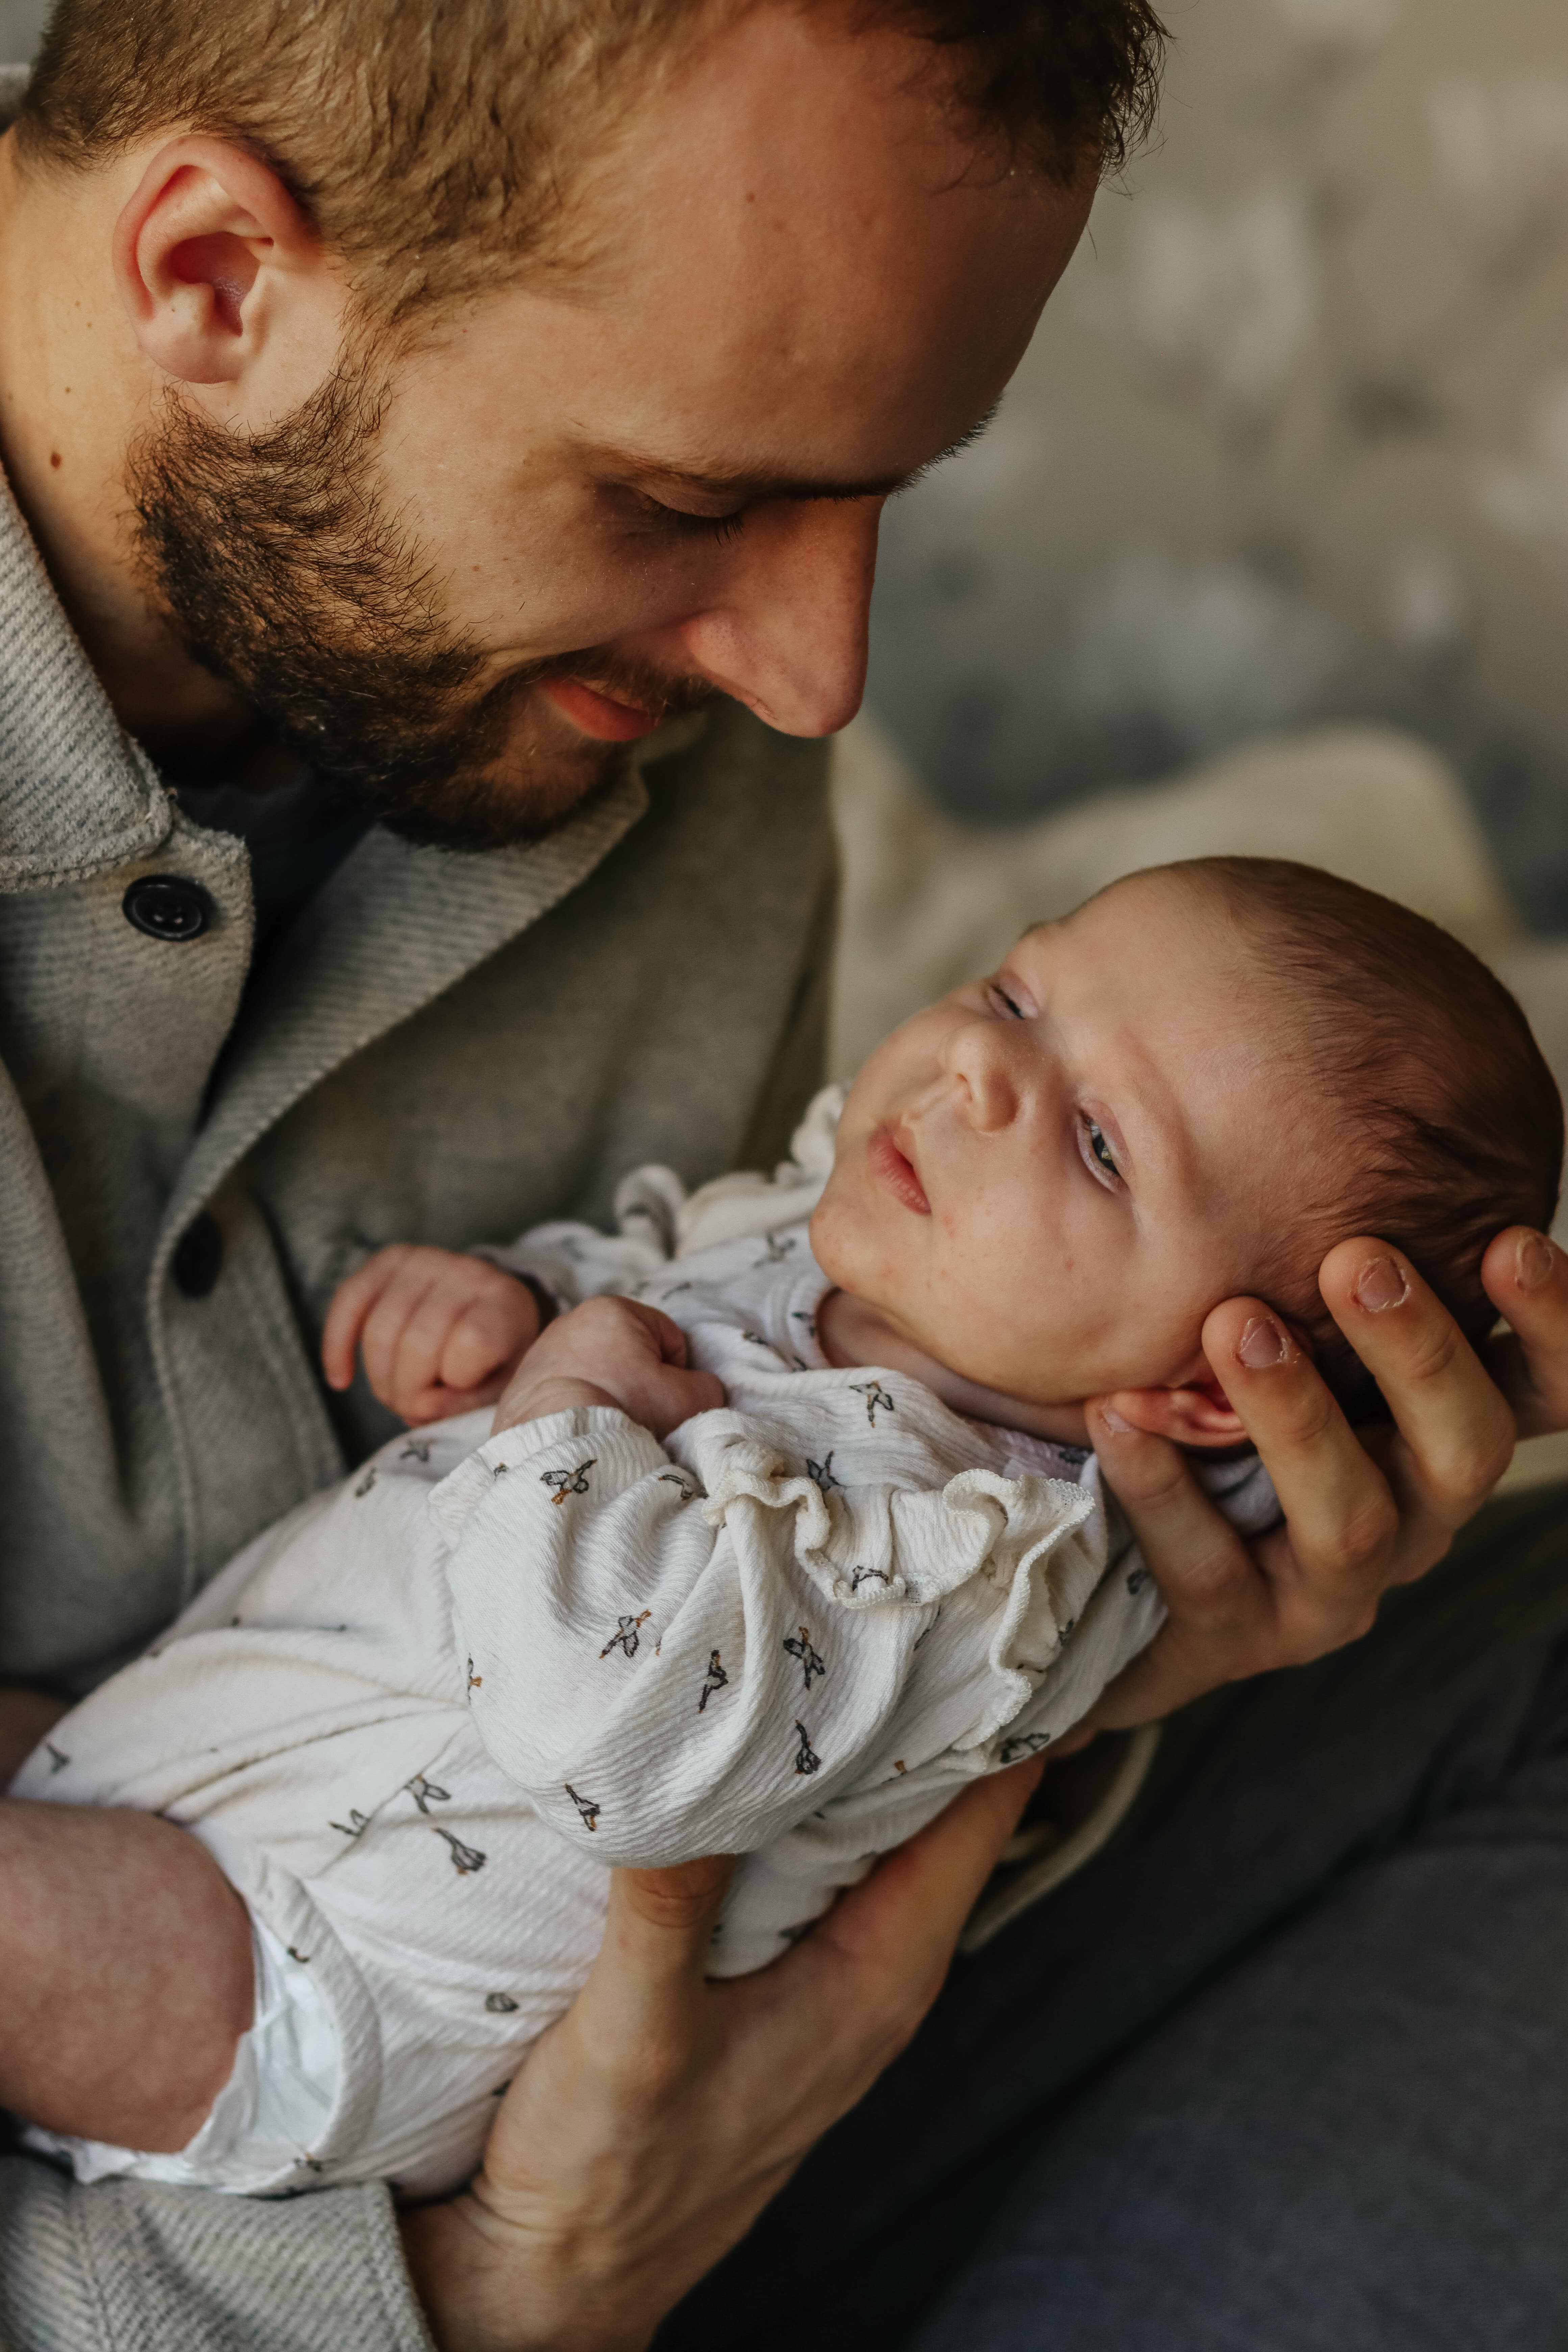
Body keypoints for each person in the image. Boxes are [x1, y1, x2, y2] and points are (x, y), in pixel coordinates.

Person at [0, 3, 1566, 2347]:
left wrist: (1089, 1681)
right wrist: (486, 2290)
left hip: (628, 1976)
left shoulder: (673, 720)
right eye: (692, 496)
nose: (819, 678)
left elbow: (801, 1422)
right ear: (218, 280)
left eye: (877, 496)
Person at [3, 861, 1562, 2228]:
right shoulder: (859, 1248)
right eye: (1017, 991)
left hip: (310, 1970)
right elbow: (651, 1288)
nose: (978, 1072)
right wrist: (518, 1307)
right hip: (207, 1752)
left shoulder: (975, 1564)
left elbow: (603, 1731)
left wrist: (561, 1404)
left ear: (1199, 1397)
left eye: (1099, 1147)